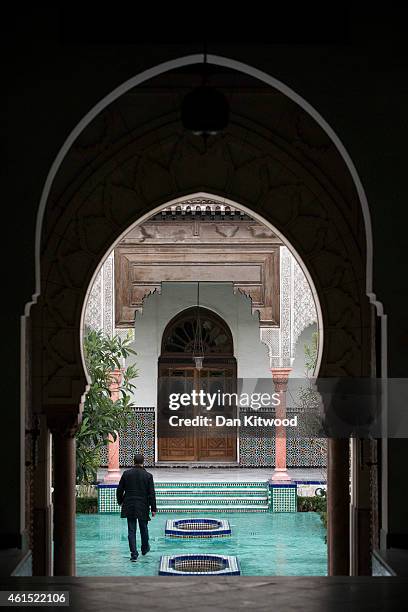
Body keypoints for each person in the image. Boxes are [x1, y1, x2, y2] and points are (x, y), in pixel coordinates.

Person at [116, 453, 157, 562]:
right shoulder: (148, 476)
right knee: (144, 528)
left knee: (131, 530)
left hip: (129, 504)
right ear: (143, 462)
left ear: (133, 462)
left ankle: (134, 554)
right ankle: (144, 548)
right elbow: (151, 493)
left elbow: (119, 490)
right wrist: (153, 508)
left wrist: (120, 501)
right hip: (143, 505)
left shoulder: (126, 474)